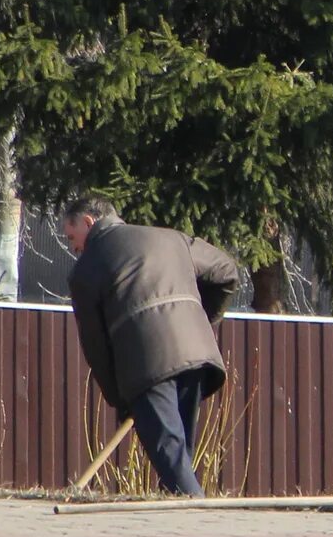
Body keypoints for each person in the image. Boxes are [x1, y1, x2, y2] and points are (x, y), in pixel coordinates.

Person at [62, 196, 248, 499]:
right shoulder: (170, 238)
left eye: (72, 237)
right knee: (178, 455)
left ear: (88, 222)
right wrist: (200, 319)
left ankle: (200, 517)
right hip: (196, 353)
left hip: (147, 364)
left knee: (170, 454)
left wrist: (120, 399)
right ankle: (184, 519)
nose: (74, 248)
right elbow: (226, 271)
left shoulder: (87, 269)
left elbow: (96, 345)